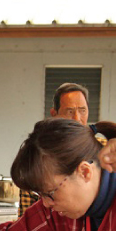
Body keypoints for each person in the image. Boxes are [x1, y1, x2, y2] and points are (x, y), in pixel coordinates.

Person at [19, 82, 91, 217]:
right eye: (69, 111)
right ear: (54, 114)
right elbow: (26, 218)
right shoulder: (39, 154)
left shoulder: (104, 151)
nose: (77, 118)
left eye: (82, 110)